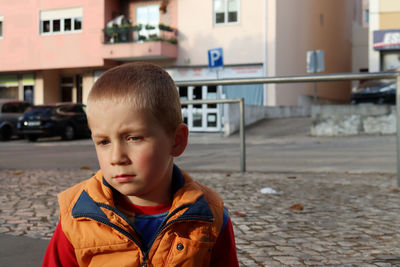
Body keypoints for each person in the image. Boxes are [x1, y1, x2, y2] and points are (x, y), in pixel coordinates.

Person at [43, 62, 239, 267]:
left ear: (177, 140)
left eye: (134, 138)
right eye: (104, 142)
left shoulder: (209, 217)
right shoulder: (76, 218)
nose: (116, 157)